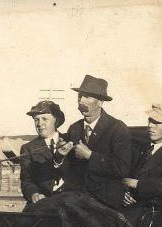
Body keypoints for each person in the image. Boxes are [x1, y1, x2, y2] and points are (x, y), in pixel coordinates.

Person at [54, 74, 131, 209]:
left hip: (105, 200)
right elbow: (70, 170)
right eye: (79, 96)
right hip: (77, 198)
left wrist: (90, 156)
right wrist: (61, 156)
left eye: (87, 97)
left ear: (100, 102)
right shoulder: (74, 128)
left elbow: (122, 169)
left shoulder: (117, 128)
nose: (81, 101)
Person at [120, 103, 162, 227]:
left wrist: (137, 184)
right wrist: (123, 192)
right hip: (127, 202)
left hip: (149, 209)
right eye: (149, 121)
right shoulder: (140, 149)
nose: (150, 126)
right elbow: (123, 174)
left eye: (156, 122)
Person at [19, 100, 66, 205]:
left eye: (45, 119)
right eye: (36, 120)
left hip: (68, 202)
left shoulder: (70, 141)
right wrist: (34, 194)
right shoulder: (28, 148)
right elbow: (27, 180)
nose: (39, 124)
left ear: (56, 120)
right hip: (42, 203)